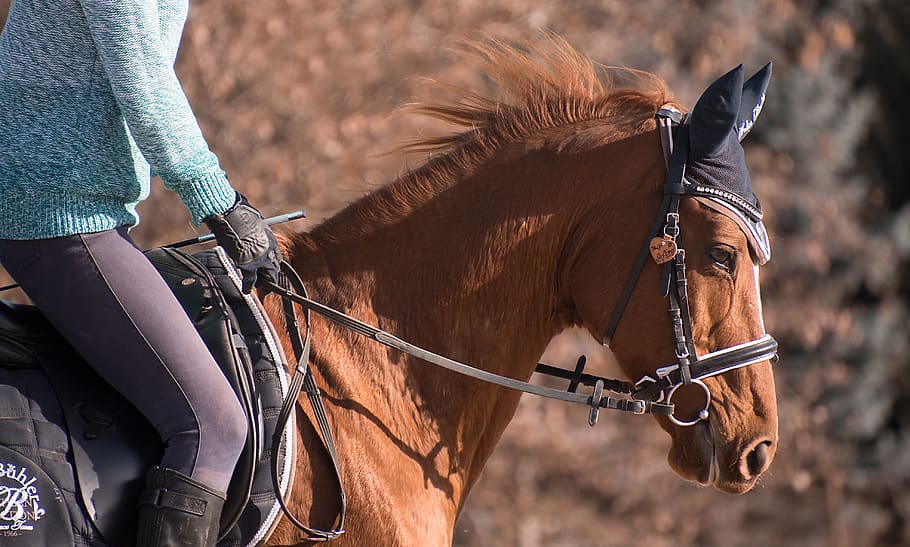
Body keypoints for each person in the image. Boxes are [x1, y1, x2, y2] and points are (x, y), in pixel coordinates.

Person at [0, 1, 282, 545]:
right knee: (214, 427)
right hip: (57, 215)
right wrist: (220, 203)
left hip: (83, 210)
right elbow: (142, 79)